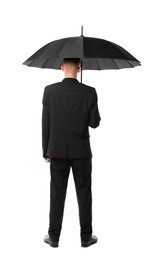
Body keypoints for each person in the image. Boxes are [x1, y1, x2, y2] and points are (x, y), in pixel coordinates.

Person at [42, 58, 101, 248]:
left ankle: (54, 237)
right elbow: (94, 123)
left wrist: (46, 150)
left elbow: (46, 124)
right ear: (80, 67)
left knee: (56, 194)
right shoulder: (89, 92)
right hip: (82, 152)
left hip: (57, 151)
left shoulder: (49, 91)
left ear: (61, 67)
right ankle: (86, 238)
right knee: (84, 194)